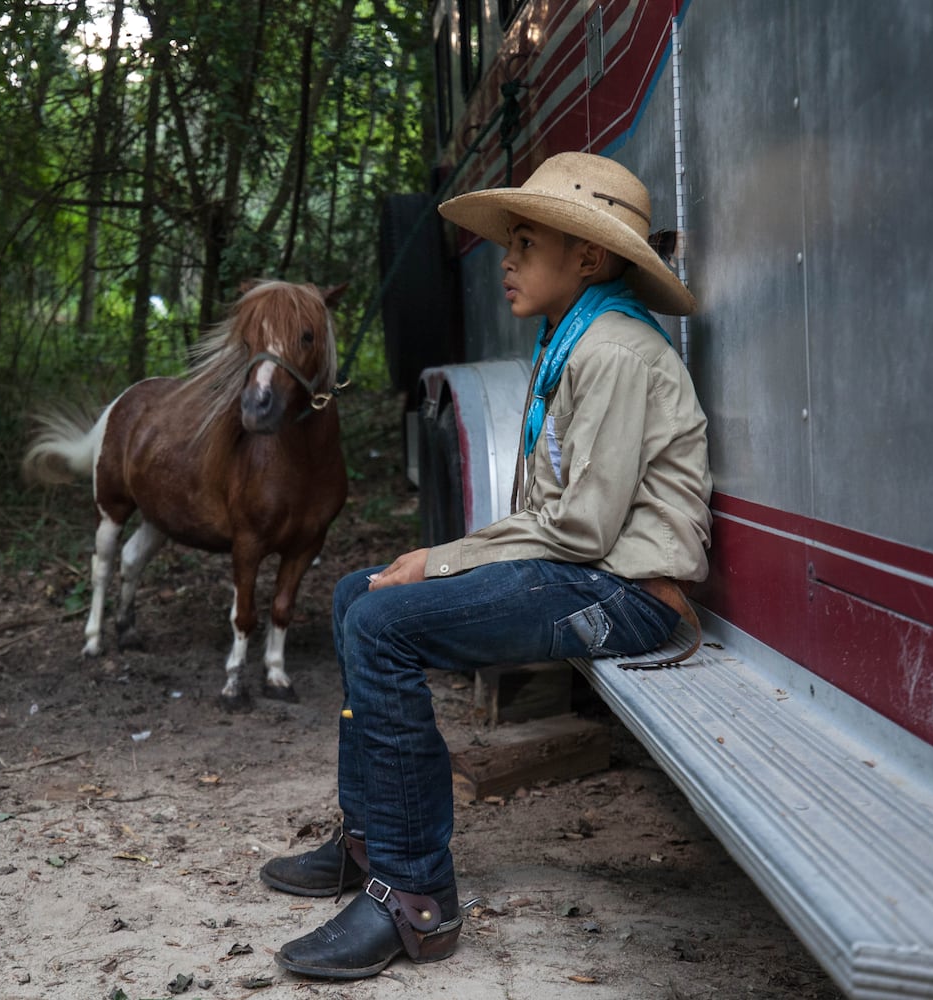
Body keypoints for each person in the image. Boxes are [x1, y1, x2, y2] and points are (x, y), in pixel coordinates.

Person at [259, 151, 713, 980]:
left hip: (630, 596)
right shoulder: (573, 340)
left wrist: (443, 557)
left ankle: (416, 897)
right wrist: (439, 561)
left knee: (384, 620)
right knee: (358, 595)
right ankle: (369, 839)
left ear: (590, 258)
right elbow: (557, 522)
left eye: (527, 243)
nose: (505, 260)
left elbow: (580, 531)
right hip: (589, 571)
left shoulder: (612, 352)